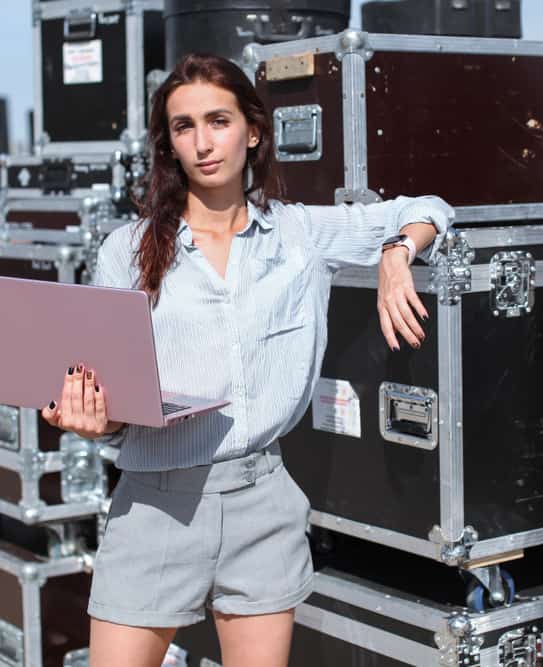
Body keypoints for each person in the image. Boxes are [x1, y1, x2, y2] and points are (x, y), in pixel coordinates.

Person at [41, 54, 453, 667]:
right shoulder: (125, 251)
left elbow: (431, 208)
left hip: (262, 502)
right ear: (169, 144)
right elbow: (118, 401)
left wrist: (395, 255)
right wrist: (96, 420)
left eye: (219, 121)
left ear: (253, 131)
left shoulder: (299, 234)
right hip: (154, 505)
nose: (203, 143)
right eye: (184, 127)